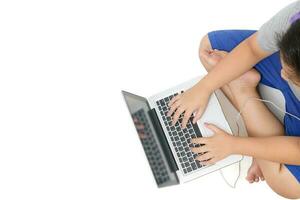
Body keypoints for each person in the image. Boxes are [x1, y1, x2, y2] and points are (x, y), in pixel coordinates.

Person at [167, 1, 300, 198]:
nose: (282, 74)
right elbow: (253, 49)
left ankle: (244, 91)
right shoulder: (294, 18)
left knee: (288, 187)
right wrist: (203, 88)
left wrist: (234, 145)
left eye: (289, 75)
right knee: (209, 50)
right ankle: (244, 86)